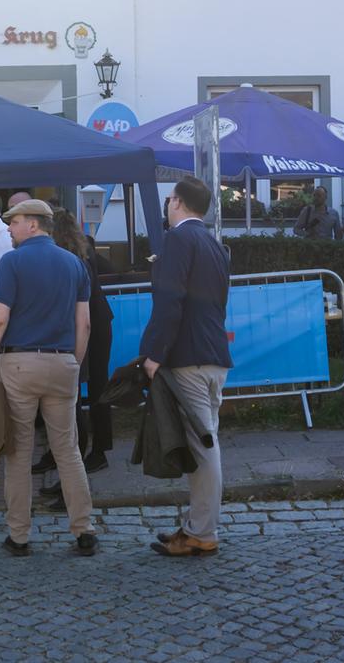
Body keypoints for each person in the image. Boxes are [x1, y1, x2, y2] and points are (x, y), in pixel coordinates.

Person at [0, 198, 96, 557]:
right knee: (68, 451)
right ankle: (83, 529)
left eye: (14, 222)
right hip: (62, 363)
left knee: (19, 453)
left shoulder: (13, 262)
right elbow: (83, 323)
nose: (9, 228)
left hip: (20, 364)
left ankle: (20, 535)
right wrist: (74, 361)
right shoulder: (75, 263)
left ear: (34, 225)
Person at [141, 178, 233, 558]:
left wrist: (154, 354)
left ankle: (202, 532)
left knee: (203, 445)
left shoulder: (178, 240)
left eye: (168, 199)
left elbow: (170, 300)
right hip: (211, 353)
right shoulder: (212, 242)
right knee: (204, 442)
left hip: (189, 356)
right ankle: (197, 526)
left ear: (176, 202)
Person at [51, 208, 114, 472]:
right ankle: (86, 451)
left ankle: (94, 451)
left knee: (90, 388)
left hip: (91, 326)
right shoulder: (82, 248)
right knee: (89, 387)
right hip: (95, 323)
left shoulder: (74, 257)